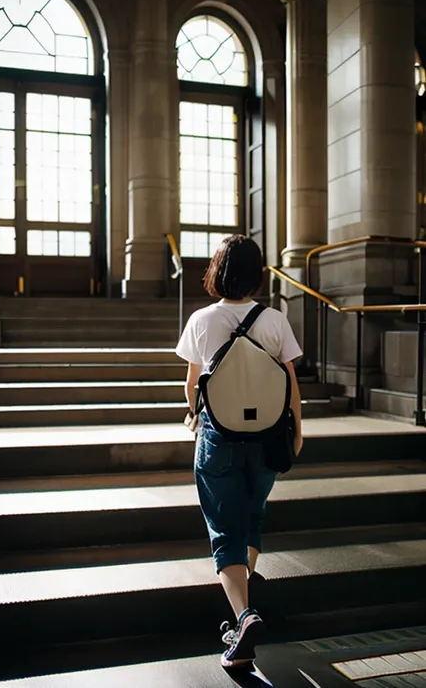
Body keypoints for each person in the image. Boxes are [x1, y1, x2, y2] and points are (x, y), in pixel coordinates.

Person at [175, 234, 303, 668]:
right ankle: (243, 597)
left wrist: (193, 414)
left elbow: (193, 383)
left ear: (217, 272)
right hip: (268, 436)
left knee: (223, 528)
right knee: (252, 515)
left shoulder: (202, 320)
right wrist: (298, 430)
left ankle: (244, 617)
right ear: (257, 274)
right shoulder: (274, 320)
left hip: (219, 436)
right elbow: (290, 383)